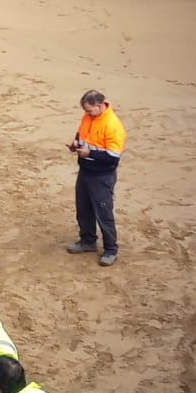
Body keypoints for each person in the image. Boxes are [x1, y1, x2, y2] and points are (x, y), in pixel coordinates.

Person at [65, 89, 126, 267]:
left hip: (102, 176)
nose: (87, 114)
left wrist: (89, 153)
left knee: (103, 213)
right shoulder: (89, 117)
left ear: (99, 106)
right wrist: (75, 144)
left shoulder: (112, 125)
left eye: (89, 110)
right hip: (85, 171)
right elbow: (81, 134)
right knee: (83, 209)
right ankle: (87, 241)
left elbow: (113, 157)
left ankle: (110, 249)